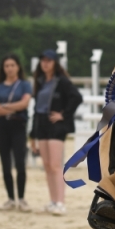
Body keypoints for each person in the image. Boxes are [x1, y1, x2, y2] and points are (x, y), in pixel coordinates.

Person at [30, 49, 82, 216]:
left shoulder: (62, 81)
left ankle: (60, 202)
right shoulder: (40, 81)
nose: (45, 63)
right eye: (43, 60)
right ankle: (53, 201)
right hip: (41, 124)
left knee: (55, 165)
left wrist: (64, 115)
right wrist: (32, 134)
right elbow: (36, 108)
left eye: (49, 60)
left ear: (55, 63)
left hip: (55, 125)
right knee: (46, 166)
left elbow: (76, 97)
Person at [0, 54, 33, 212]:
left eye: (12, 65)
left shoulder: (24, 84)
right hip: (2, 126)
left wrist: (5, 106)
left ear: (18, 67)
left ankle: (21, 198)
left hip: (18, 125)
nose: (9, 68)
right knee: (5, 163)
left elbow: (24, 104)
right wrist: (13, 106)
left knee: (20, 162)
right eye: (6, 66)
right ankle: (10, 198)